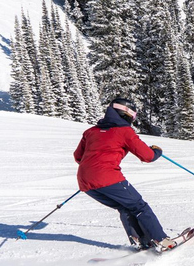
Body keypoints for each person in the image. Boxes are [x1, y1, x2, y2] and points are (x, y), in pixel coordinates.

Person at [74, 97, 175, 251]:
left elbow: (78, 157)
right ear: (126, 113)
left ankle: (142, 241)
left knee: (125, 207)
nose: (133, 119)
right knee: (140, 207)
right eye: (133, 116)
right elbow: (147, 156)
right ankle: (161, 240)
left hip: (84, 181)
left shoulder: (90, 132)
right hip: (107, 177)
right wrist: (157, 151)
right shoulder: (125, 131)